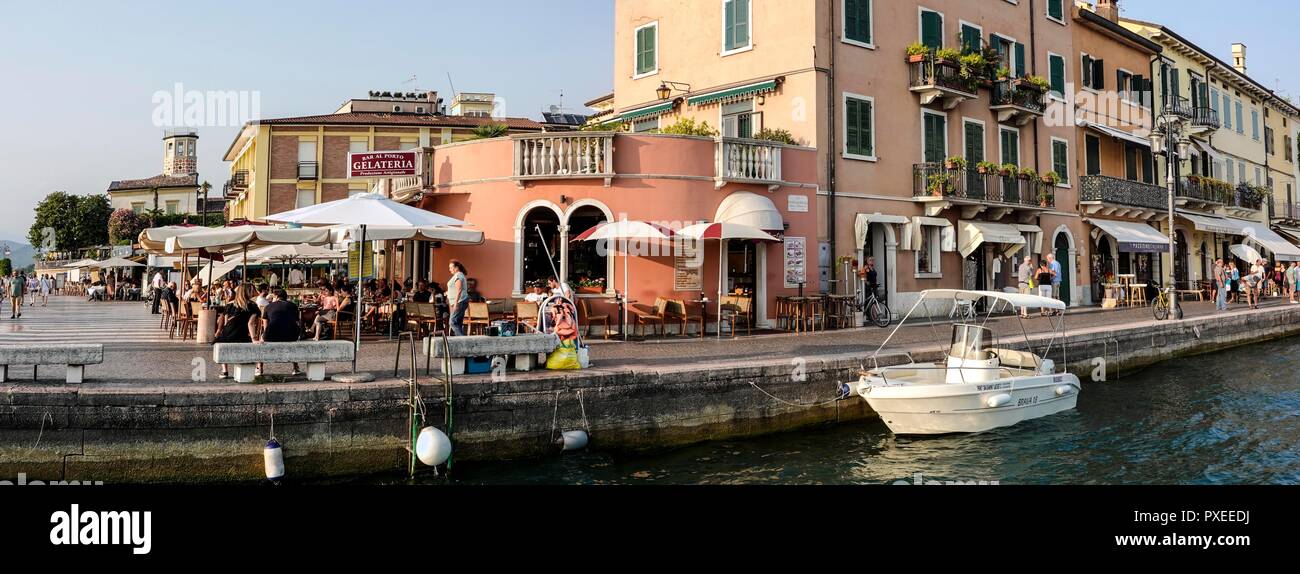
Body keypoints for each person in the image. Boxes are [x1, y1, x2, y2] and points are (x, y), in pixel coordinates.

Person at [215, 284, 262, 380]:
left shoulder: (230, 304)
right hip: (241, 334)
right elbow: (251, 323)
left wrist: (219, 330)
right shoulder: (252, 305)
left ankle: (224, 371)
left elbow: (225, 320)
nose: (254, 292)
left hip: (226, 334)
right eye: (252, 290)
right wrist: (254, 339)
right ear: (248, 292)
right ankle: (258, 368)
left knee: (223, 341)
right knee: (254, 345)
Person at [259, 289, 302, 376]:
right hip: (290, 335)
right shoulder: (293, 305)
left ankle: (259, 368)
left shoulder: (268, 306)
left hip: (272, 335)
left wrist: (264, 336)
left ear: (277, 297)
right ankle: (295, 367)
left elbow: (265, 326)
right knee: (293, 345)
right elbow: (296, 322)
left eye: (273, 297)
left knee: (261, 341)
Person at [447, 260, 469, 336]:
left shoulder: (458, 275)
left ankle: (462, 339)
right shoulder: (459, 275)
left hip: (460, 301)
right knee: (458, 323)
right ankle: (460, 342)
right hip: (461, 301)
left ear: (456, 267)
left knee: (452, 322)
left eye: (451, 267)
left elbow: (459, 289)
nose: (450, 269)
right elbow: (456, 289)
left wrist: (456, 303)